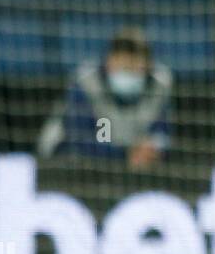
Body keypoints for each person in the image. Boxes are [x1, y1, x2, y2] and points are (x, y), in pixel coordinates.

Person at [36, 28, 171, 168]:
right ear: (108, 61)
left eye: (134, 64)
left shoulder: (159, 85)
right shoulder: (87, 83)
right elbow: (82, 139)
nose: (127, 69)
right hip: (65, 162)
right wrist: (126, 153)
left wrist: (152, 148)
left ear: (148, 64)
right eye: (122, 63)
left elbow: (161, 131)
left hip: (132, 164)